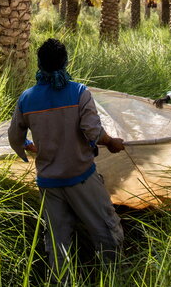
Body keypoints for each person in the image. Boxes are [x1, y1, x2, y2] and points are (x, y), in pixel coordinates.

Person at [8, 38, 125, 271]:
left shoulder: (27, 98)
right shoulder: (79, 92)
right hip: (81, 177)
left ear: (39, 64)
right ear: (65, 62)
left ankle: (60, 279)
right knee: (105, 230)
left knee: (56, 240)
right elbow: (92, 132)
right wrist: (111, 142)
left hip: (49, 182)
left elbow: (14, 138)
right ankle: (114, 276)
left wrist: (28, 147)